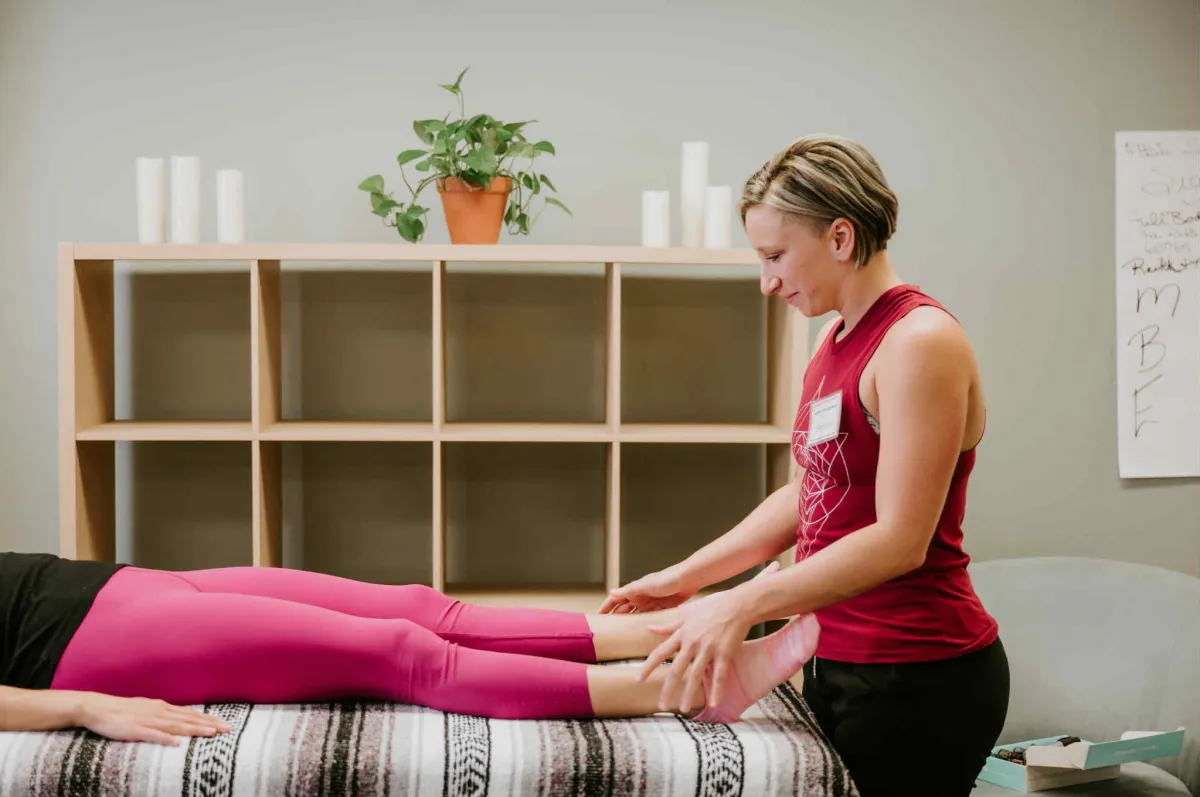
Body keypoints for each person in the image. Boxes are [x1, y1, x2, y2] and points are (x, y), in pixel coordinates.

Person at [602, 135, 1009, 797]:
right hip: (838, 657)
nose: (767, 282)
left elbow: (901, 540)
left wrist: (740, 604)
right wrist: (685, 579)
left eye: (774, 256)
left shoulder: (919, 343)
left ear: (841, 238)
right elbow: (810, 494)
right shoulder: (834, 338)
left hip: (920, 674)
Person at [0, 551, 819, 747]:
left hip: (103, 584)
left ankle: (672, 634)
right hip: (76, 644)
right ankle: (682, 687)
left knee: (423, 606)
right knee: (400, 650)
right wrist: (78, 706)